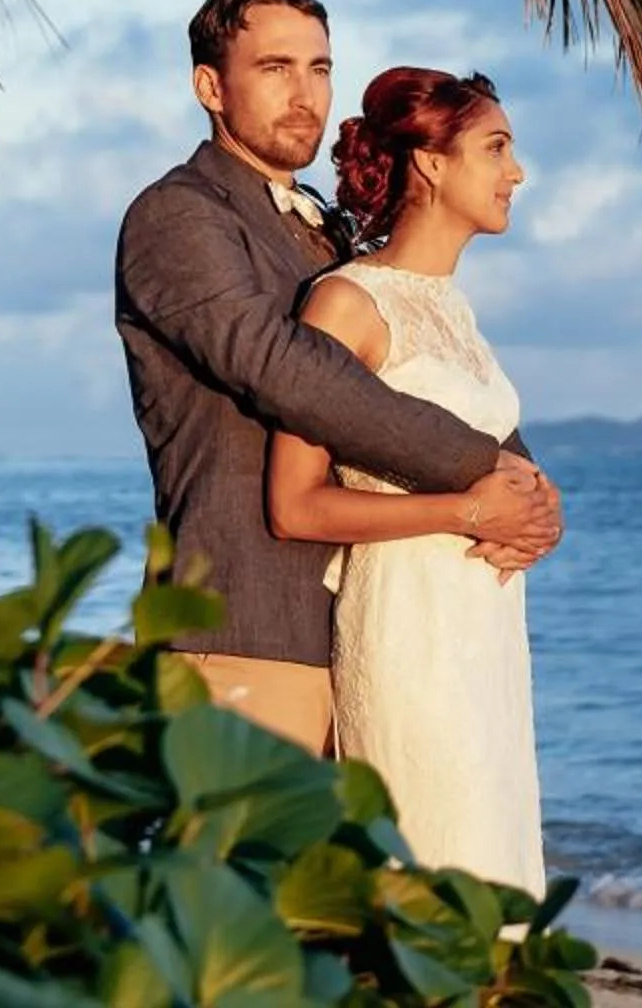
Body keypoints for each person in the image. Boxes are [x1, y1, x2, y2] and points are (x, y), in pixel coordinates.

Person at [114, 0, 560, 758]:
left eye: (319, 69)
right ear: (210, 87)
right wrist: (479, 468)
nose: (305, 94)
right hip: (244, 629)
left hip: (369, 641)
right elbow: (282, 367)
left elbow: (405, 359)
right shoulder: (179, 214)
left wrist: (529, 488)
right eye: (275, 68)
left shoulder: (328, 231)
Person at [267, 66, 544, 893]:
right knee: (432, 868)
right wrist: (466, 513)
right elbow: (295, 504)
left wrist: (541, 507)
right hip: (409, 635)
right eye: (496, 148)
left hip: (485, 635)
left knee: (496, 874)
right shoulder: (346, 304)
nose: (516, 171)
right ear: (430, 162)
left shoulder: (453, 308)